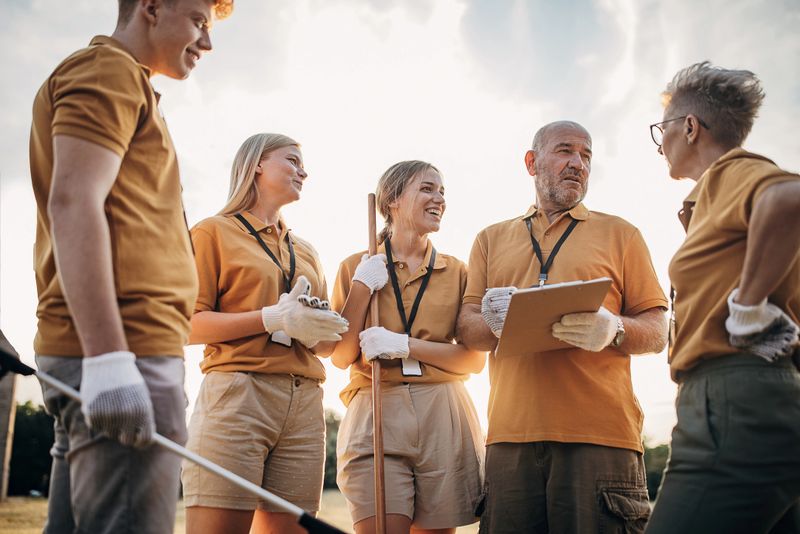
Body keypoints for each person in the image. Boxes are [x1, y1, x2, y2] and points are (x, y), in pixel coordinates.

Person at [28, 1, 232, 532]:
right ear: (151, 6)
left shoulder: (130, 83)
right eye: (199, 23)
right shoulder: (108, 70)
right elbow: (73, 201)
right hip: (125, 353)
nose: (207, 44)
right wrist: (110, 360)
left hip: (124, 350)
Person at [457, 121, 669, 534]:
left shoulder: (622, 234)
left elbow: (658, 330)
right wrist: (499, 320)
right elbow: (467, 328)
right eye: (565, 151)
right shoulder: (489, 239)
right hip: (508, 440)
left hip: (601, 437)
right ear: (532, 162)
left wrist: (614, 330)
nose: (578, 163)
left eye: (586, 155)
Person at [645, 62, 800, 534]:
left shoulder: (733, 170)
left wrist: (748, 308)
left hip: (732, 403)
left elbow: (790, 197)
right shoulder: (716, 200)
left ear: (690, 127)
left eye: (663, 129)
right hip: (769, 398)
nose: (659, 144)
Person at [181, 133, 348, 534]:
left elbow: (326, 346)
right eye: (292, 160)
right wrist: (270, 318)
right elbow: (186, 324)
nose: (303, 171)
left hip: (305, 404)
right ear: (257, 163)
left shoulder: (306, 251)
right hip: (239, 396)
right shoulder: (212, 232)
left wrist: (324, 325)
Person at [330, 160, 486, 534]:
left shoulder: (459, 270)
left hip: (443, 409)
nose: (439, 199)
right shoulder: (356, 264)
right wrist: (362, 288)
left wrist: (404, 345)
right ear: (393, 199)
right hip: (376, 405)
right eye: (428, 189)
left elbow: (473, 362)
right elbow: (339, 356)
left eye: (443, 191)